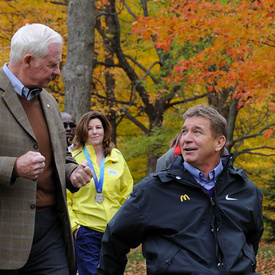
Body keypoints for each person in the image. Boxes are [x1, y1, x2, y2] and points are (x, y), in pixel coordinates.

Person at [98, 104, 264, 275]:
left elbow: (251, 242)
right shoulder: (153, 191)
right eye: (184, 131)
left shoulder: (246, 190)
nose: (185, 138)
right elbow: (114, 240)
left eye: (197, 132)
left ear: (219, 142)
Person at [0, 23, 93, 274]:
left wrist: (72, 171)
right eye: (52, 65)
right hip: (6, 236)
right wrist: (13, 167)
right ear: (28, 60)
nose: (58, 73)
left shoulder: (49, 101)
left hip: (50, 233)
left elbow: (61, 153)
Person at [67, 111, 134, 275]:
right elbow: (65, 197)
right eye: (90, 128)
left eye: (98, 127)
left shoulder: (117, 156)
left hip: (114, 232)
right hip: (86, 231)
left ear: (105, 130)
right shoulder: (73, 158)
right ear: (83, 132)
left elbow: (128, 193)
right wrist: (75, 226)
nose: (95, 132)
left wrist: (125, 224)